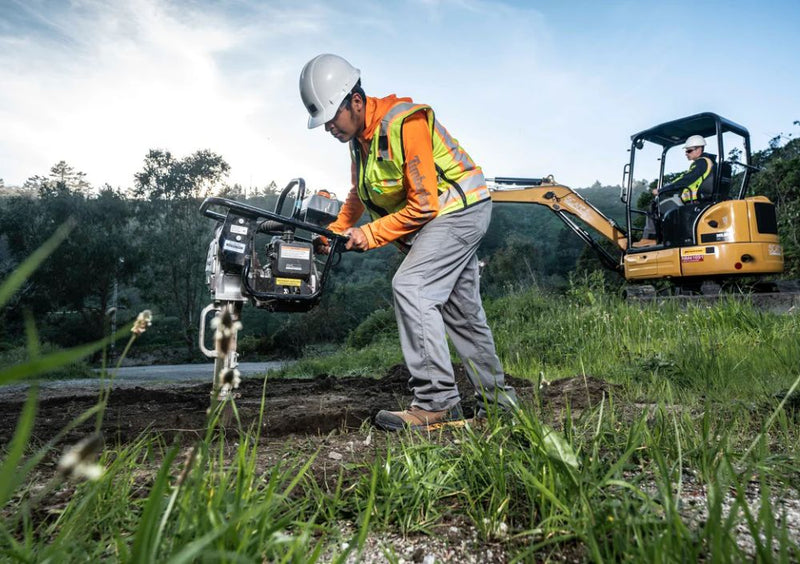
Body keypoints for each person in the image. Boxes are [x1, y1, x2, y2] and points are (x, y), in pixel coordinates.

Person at [299, 53, 517, 431]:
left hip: (458, 211)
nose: (329, 128)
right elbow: (359, 194)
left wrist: (367, 234)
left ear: (355, 101)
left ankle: (435, 402)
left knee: (412, 286)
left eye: (332, 116)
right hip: (443, 218)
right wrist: (335, 230)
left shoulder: (404, 122)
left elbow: (423, 205)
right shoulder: (359, 142)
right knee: (462, 314)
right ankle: (498, 403)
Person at [635, 134, 716, 247]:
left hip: (693, 202)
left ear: (699, 149)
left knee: (655, 205)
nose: (686, 153)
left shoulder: (701, 162)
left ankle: (650, 238)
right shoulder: (708, 162)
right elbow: (685, 179)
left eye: (689, 151)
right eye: (686, 151)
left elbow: (685, 180)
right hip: (698, 200)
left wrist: (662, 190)